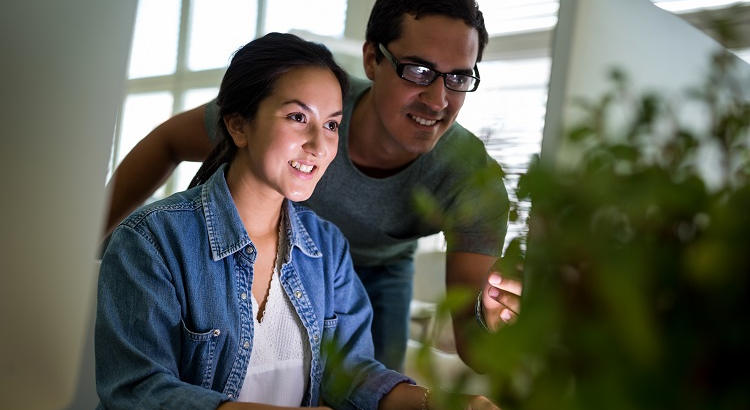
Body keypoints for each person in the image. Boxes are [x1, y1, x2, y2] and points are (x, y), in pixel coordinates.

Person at [104, 0, 523, 372]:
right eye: (418, 71)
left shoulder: (473, 180)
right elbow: (167, 142)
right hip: (279, 249)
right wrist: (94, 237)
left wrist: (494, 316)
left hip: (382, 269)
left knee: (376, 384)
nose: (437, 100)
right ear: (372, 59)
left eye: (457, 79)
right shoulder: (311, 105)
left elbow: (477, 349)